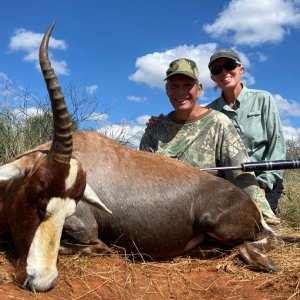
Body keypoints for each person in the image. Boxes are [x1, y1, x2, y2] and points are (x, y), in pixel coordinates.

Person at [140, 58, 280, 225]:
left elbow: (241, 174)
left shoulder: (218, 122)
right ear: (166, 90)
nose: (180, 92)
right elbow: (141, 183)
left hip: (207, 213)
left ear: (199, 89)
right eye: (174, 86)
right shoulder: (154, 131)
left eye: (187, 85)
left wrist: (265, 218)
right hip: (162, 215)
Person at [207, 49, 286, 214]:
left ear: (240, 69)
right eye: (217, 70)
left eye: (229, 66)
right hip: (227, 184)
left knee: (257, 227)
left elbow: (276, 146)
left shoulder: (263, 99)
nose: (224, 72)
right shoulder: (208, 111)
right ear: (213, 78)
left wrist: (262, 186)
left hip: (262, 179)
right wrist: (160, 122)